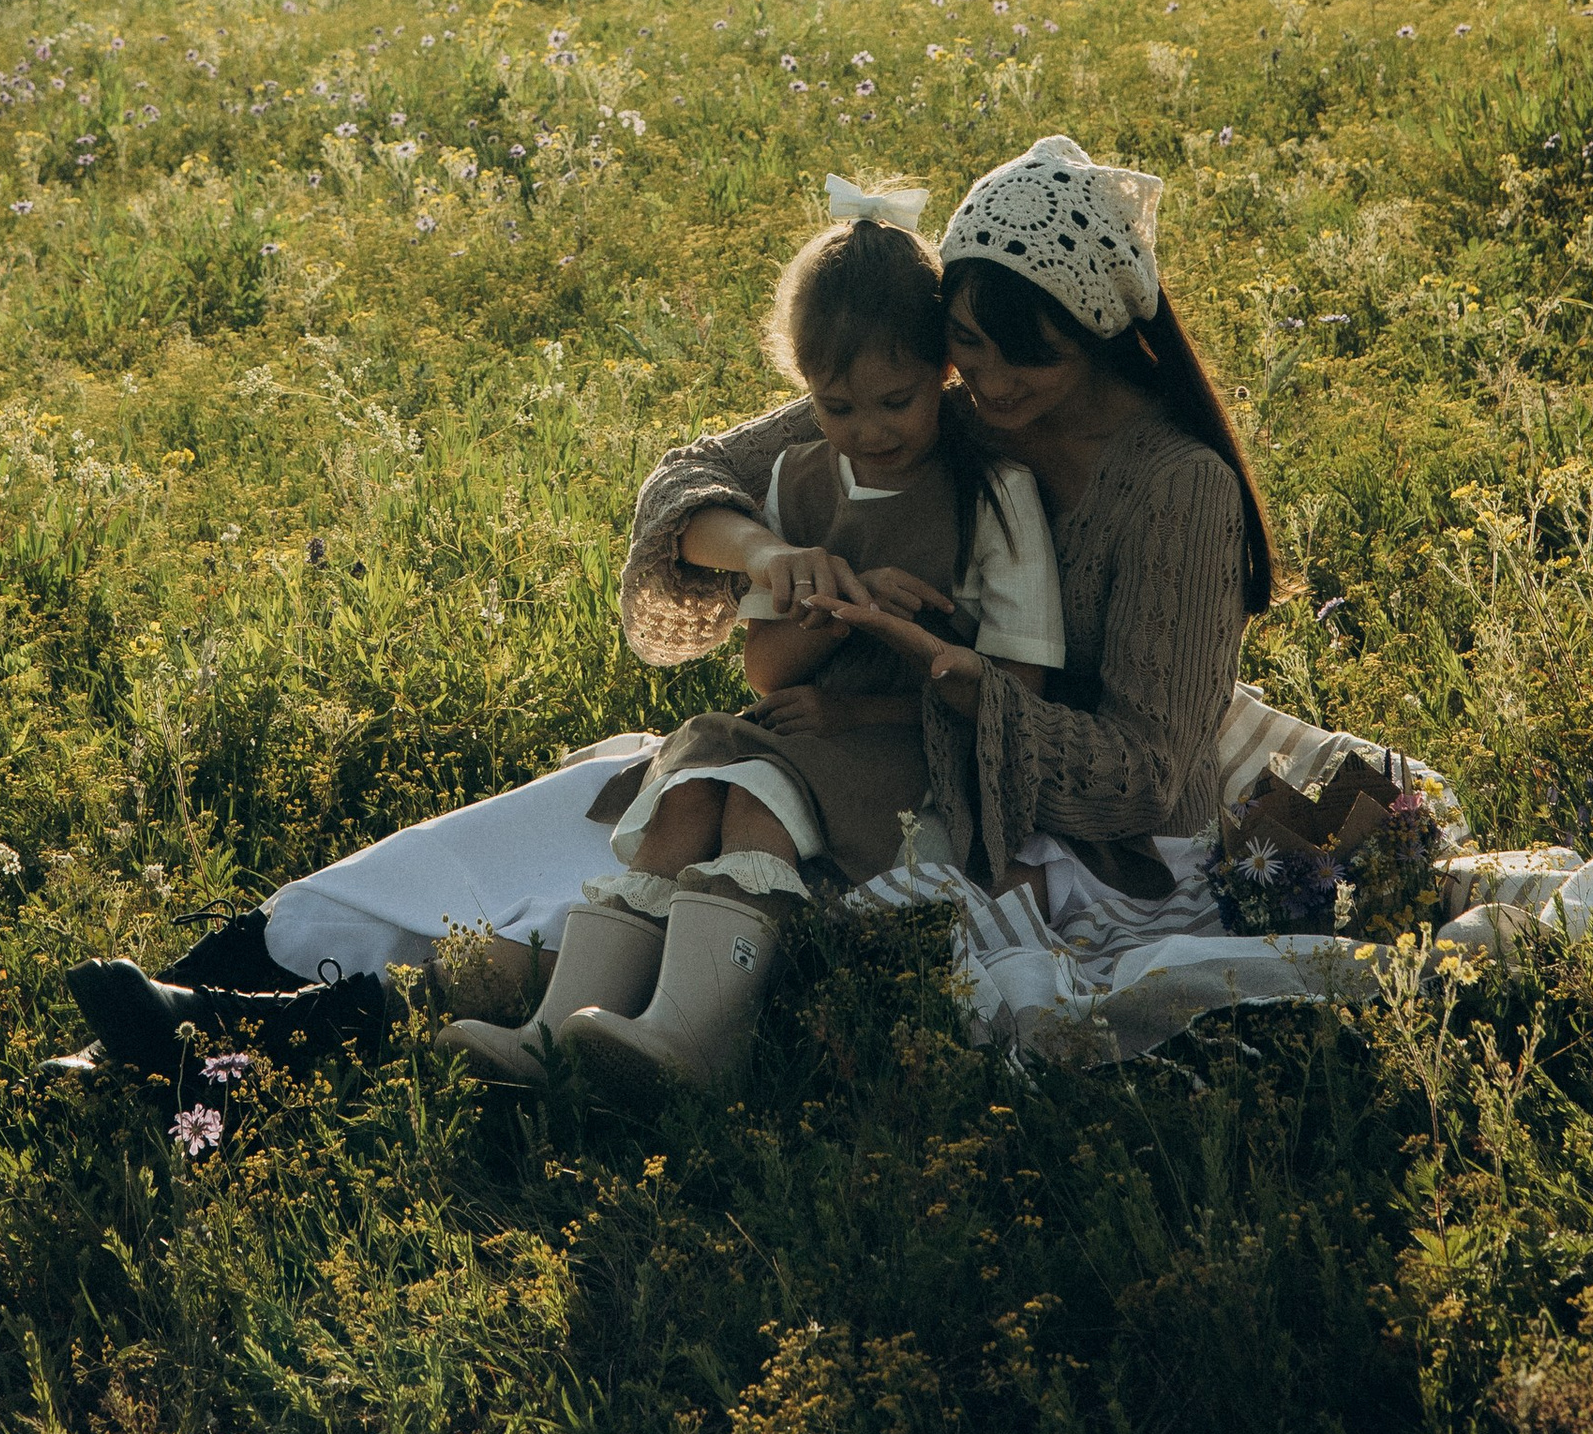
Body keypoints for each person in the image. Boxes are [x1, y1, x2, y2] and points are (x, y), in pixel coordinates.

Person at [613, 133, 1272, 1032]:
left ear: (1097, 336)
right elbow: (691, 479)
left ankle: (684, 1028)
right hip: (909, 754)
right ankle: (619, 1014)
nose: (990, 380)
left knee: (815, 918)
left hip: (1085, 821)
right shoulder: (932, 404)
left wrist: (932, 669)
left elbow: (1148, 779)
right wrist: (769, 557)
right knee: (705, 815)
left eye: (1026, 354)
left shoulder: (1178, 488)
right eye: (966, 343)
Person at [438, 189, 1062, 1086]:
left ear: (944, 373)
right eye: (837, 406)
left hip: (915, 749)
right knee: (694, 790)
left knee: (756, 801)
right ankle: (555, 1032)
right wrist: (819, 595)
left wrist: (871, 663)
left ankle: (700, 1035)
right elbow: (766, 669)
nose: (869, 431)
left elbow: (1019, 692)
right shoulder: (798, 480)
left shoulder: (993, 494)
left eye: (896, 400)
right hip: (803, 736)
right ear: (804, 390)